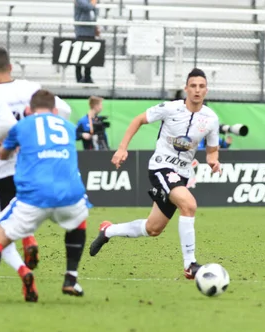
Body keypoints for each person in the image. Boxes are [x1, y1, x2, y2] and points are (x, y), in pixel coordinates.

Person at [88, 68, 222, 280]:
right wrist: (122, 148)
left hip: (183, 173)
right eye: (193, 86)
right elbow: (138, 120)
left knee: (153, 228)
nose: (197, 90)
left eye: (201, 86)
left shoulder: (211, 119)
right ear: (186, 88)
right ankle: (190, 265)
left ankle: (108, 231)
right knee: (189, 205)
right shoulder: (170, 109)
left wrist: (214, 162)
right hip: (162, 166)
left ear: (207, 90)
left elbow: (212, 151)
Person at [0, 89, 90, 303]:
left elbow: (3, 154)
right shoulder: (69, 127)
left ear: (29, 110)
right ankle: (71, 278)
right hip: (71, 194)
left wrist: (13, 148)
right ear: (55, 110)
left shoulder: (21, 126)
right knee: (79, 220)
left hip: (34, 196)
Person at [0, 47, 72, 281]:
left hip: (4, 168)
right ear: (10, 67)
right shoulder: (32, 88)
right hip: (32, 167)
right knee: (22, 213)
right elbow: (65, 110)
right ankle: (29, 240)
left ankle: (19, 271)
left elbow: (7, 124)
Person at [74, 0, 98, 83]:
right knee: (79, 56)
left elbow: (94, 14)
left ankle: (87, 77)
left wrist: (96, 27)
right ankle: (79, 77)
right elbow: (88, 7)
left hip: (91, 32)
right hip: (81, 32)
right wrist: (93, 2)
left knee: (89, 57)